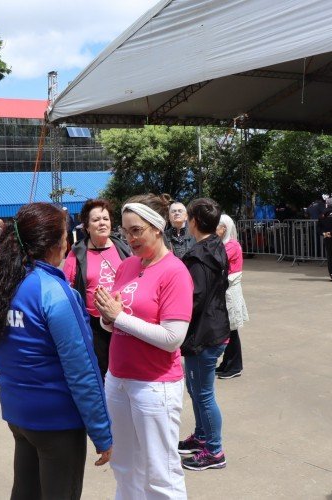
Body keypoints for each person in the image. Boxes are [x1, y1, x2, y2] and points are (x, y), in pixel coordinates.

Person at [0, 202, 112, 499]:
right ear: (55, 242)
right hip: (56, 421)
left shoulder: (4, 284)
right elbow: (82, 368)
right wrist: (102, 432)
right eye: (65, 234)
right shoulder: (54, 292)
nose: (68, 241)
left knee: (25, 493)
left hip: (19, 414)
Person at [93, 193, 193, 499]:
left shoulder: (174, 272)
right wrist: (109, 319)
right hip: (118, 380)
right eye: (125, 231)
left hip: (154, 385)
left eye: (137, 230)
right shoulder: (127, 266)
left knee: (160, 473)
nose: (129, 238)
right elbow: (109, 319)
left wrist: (118, 318)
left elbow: (172, 338)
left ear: (157, 228)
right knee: (124, 466)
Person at [175, 198, 230, 472]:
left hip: (204, 334)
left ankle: (214, 451)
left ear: (193, 221)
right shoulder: (216, 247)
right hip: (215, 328)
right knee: (196, 389)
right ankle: (202, 436)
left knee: (203, 393)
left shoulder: (199, 256)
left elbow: (193, 299)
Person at [63, 198, 132, 379]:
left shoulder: (123, 247)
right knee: (102, 373)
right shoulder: (77, 253)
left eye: (106, 218)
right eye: (96, 220)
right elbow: (67, 289)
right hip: (93, 325)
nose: (102, 223)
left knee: (126, 371)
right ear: (86, 226)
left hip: (123, 321)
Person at [215, 214, 249, 379]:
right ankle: (227, 363)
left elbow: (217, 262)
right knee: (226, 329)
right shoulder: (222, 244)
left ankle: (235, 365)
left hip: (229, 290)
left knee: (231, 330)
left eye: (217, 227)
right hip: (224, 290)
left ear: (224, 229)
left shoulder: (231, 245)